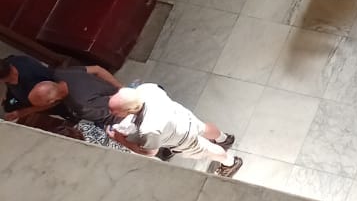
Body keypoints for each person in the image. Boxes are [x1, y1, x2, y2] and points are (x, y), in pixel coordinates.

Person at [105, 84, 241, 178]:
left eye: (115, 111)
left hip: (183, 138)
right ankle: (224, 138)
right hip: (183, 116)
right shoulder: (145, 88)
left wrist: (120, 139)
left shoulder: (148, 129)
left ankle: (231, 163)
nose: (112, 113)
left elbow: (150, 152)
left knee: (207, 149)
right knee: (204, 127)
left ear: (131, 110)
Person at [26, 65, 121, 126]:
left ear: (51, 101)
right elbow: (97, 69)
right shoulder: (61, 74)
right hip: (118, 93)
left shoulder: (82, 106)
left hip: (119, 106)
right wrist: (120, 87)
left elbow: (114, 111)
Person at [1, 54, 55, 122]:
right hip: (18, 98)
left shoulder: (31, 78)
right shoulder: (9, 63)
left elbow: (55, 100)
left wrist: (23, 112)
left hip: (49, 100)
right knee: (8, 106)